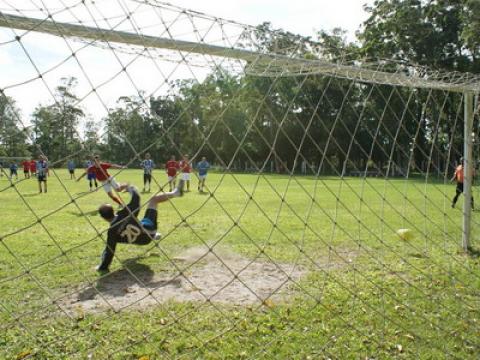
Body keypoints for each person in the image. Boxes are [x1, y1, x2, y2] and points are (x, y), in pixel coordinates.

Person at [96, 180, 184, 273]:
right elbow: (136, 198)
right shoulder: (125, 213)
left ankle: (153, 235)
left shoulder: (112, 232)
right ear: (113, 211)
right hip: (149, 229)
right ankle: (175, 193)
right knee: (154, 200)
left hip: (142, 241)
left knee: (113, 246)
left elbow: (110, 251)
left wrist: (103, 267)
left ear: (103, 218)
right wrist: (128, 187)